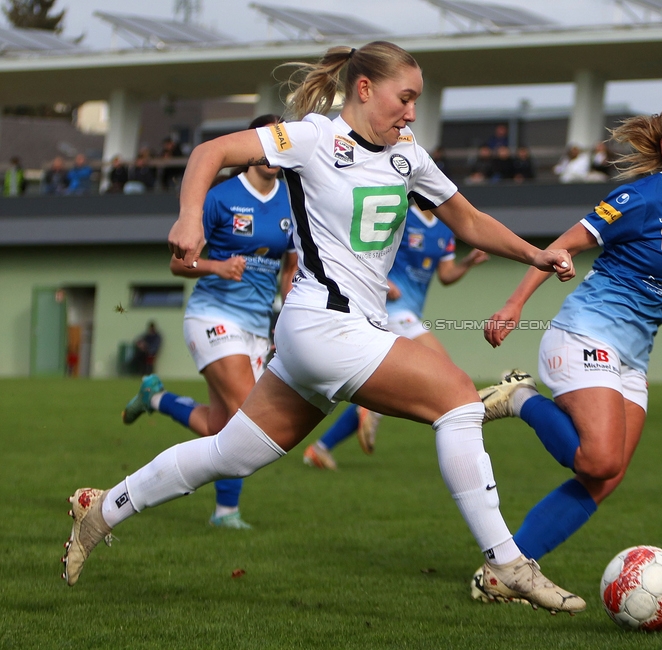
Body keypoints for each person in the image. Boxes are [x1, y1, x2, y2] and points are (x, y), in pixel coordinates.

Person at [62, 40, 584, 614]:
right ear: (364, 90)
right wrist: (189, 217)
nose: (411, 112)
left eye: (416, 101)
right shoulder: (311, 137)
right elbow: (209, 152)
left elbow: (469, 220)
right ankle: (507, 562)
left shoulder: (407, 152)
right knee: (457, 400)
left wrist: (533, 254)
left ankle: (102, 509)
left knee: (230, 454)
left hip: (332, 334)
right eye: (404, 98)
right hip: (322, 324)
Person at [471, 101, 662, 601]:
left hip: (632, 359)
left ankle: (505, 574)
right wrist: (514, 304)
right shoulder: (638, 198)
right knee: (596, 460)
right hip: (584, 336)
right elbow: (558, 249)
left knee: (605, 478)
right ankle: (520, 398)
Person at [121, 114, 297, 529]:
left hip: (257, 325)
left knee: (220, 425)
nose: (274, 153)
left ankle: (157, 399)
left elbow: (290, 269)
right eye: (267, 143)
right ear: (251, 148)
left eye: (281, 144)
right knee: (247, 421)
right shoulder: (220, 197)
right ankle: (225, 513)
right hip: (212, 315)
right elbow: (178, 264)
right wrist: (217, 267)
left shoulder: (293, 201)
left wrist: (288, 313)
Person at [303, 202, 489, 470]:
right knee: (446, 371)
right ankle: (466, 462)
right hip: (388, 309)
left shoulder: (445, 230)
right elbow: (364, 249)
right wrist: (383, 281)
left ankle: (323, 446)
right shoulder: (400, 217)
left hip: (409, 312)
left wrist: (468, 262)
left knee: (390, 377)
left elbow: (446, 275)